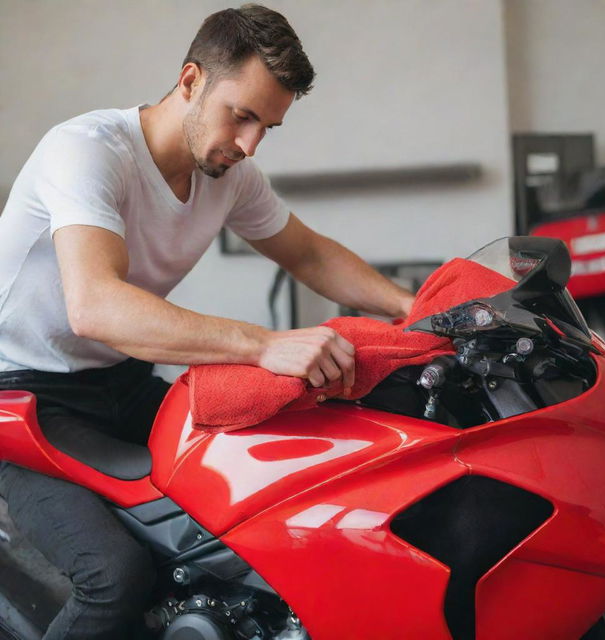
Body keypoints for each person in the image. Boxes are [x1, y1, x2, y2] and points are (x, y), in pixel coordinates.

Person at [0, 5, 414, 639]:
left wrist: (412, 308)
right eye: (242, 116)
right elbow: (96, 305)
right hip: (22, 398)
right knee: (117, 577)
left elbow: (309, 253)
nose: (249, 144)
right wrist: (264, 345)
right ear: (190, 80)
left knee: (247, 507)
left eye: (267, 126)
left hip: (120, 378)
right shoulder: (87, 150)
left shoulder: (228, 175)